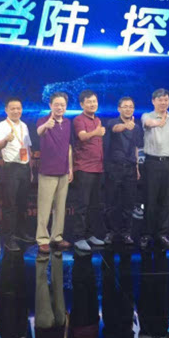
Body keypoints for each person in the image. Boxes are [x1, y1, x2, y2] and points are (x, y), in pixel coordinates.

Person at [140, 88, 169, 250]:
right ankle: (146, 234)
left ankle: (162, 233)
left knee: (166, 200)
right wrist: (158, 123)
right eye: (160, 99)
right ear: (153, 101)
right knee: (150, 200)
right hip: (152, 162)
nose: (163, 102)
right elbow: (148, 124)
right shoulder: (147, 116)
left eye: (166, 100)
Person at [36, 92, 73, 254]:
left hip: (63, 171)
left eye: (62, 105)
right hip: (48, 172)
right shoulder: (43, 121)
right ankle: (42, 239)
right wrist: (46, 125)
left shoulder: (68, 122)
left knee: (60, 207)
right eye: (56, 104)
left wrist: (70, 168)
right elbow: (39, 131)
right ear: (50, 105)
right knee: (44, 208)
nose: (60, 107)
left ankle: (57, 237)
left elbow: (69, 147)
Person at [0, 96, 33, 252]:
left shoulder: (24, 125)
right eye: (13, 108)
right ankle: (8, 238)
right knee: (9, 205)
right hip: (11, 168)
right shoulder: (1, 126)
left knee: (23, 203)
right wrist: (6, 139)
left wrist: (30, 169)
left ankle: (21, 233)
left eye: (18, 108)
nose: (16, 111)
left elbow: (28, 148)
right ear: (6, 110)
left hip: (25, 167)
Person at [104, 97, 143, 245]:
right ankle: (111, 232)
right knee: (111, 203)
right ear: (119, 108)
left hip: (130, 168)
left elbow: (136, 148)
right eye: (125, 106)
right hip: (114, 168)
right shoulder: (112, 122)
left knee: (129, 203)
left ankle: (126, 233)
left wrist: (137, 167)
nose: (128, 109)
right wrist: (126, 126)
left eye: (131, 106)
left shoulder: (136, 127)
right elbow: (116, 129)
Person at [72, 90, 106, 251]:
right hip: (84, 167)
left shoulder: (97, 119)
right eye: (89, 102)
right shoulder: (79, 119)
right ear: (82, 104)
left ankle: (90, 234)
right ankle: (78, 237)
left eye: (94, 101)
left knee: (94, 205)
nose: (92, 104)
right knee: (82, 204)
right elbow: (82, 136)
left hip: (98, 168)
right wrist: (96, 132)